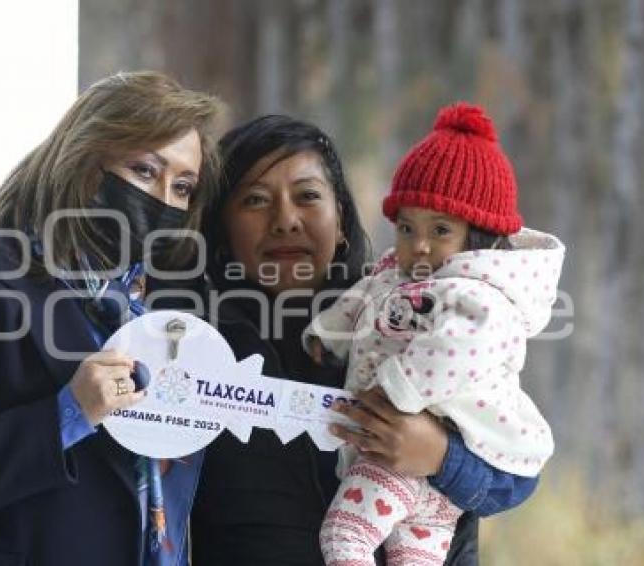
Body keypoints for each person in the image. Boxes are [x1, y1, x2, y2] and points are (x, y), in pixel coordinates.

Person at [0, 71, 222, 566]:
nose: (163, 200)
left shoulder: (159, 317)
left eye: (182, 187)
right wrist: (69, 413)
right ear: (86, 163)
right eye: (145, 171)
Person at [191, 114, 540, 566]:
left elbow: (516, 468)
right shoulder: (195, 345)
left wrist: (439, 456)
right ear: (221, 231)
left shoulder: (413, 323)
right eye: (256, 200)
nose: (285, 220)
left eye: (308, 196)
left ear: (340, 221)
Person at [307, 103, 565, 565]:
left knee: (346, 537)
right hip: (423, 484)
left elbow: (453, 352)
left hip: (411, 457)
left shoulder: (480, 299)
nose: (419, 244)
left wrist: (395, 391)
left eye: (440, 230)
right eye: (407, 227)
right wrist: (326, 334)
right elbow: (363, 299)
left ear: (478, 237)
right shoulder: (398, 274)